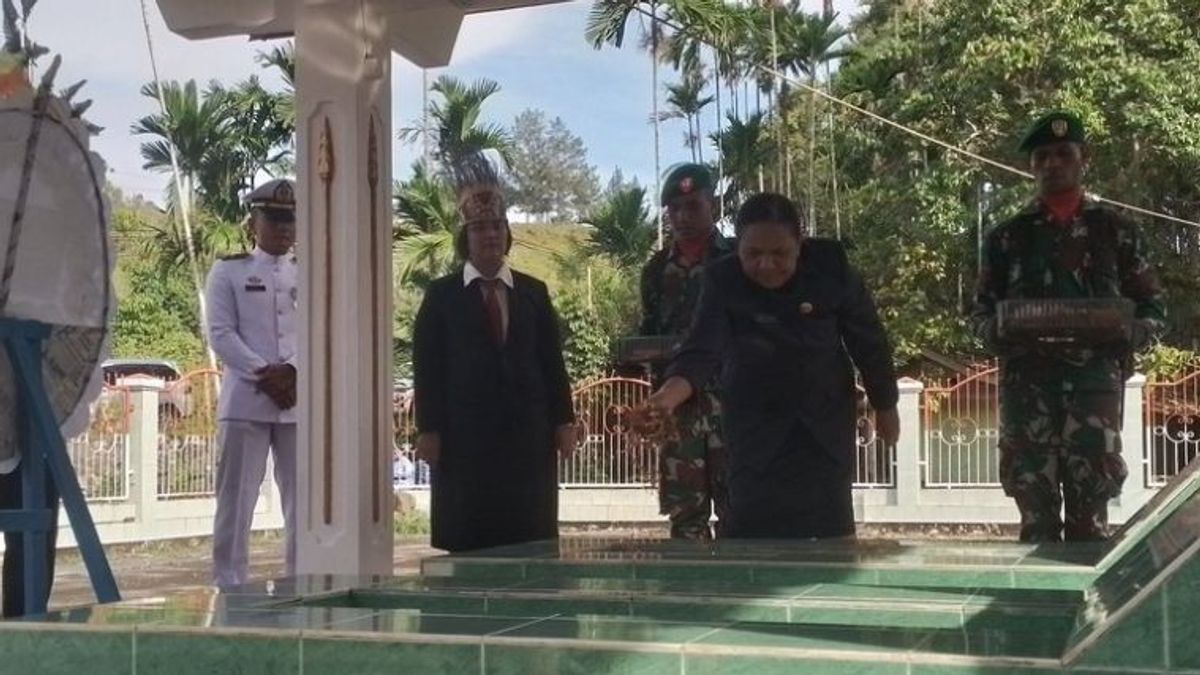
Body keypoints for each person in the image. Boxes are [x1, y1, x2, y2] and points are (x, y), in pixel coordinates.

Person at [640, 193, 900, 539]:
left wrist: (885, 404)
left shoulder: (831, 270)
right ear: (738, 248)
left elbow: (869, 342)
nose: (766, 265)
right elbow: (700, 352)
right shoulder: (723, 280)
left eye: (779, 253)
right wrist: (665, 399)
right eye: (753, 254)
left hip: (821, 424)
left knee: (829, 534)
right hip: (754, 425)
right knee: (751, 529)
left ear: (799, 243)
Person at [971, 111, 1166, 542]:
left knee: (1090, 525)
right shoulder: (1007, 237)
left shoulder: (1117, 232)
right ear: (1031, 166)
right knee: (1035, 523)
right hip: (1028, 393)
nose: (1052, 163)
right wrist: (999, 331)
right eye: (1042, 156)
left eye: (1063, 153)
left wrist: (1130, 332)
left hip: (1093, 390)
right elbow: (980, 314)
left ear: (1084, 159)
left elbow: (1153, 307)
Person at [412, 153, 576, 553]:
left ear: (507, 234)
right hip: (464, 438)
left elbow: (552, 362)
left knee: (530, 538)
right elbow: (428, 367)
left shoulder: (533, 292)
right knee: (469, 536)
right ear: (465, 238)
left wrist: (565, 421)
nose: (489, 235)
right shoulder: (441, 297)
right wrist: (428, 429)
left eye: (497, 226)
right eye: (480, 228)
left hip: (528, 438)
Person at [206, 178, 299, 589]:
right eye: (275, 218)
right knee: (236, 500)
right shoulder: (228, 271)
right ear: (253, 222)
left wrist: (294, 369)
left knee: (302, 503)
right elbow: (222, 334)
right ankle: (229, 583)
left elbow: (322, 330)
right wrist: (268, 373)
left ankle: (302, 581)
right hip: (247, 399)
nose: (284, 228)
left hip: (297, 398)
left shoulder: (309, 273)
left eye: (291, 219)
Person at [639, 163, 734, 540]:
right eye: (674, 210)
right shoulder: (656, 269)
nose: (682, 217)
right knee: (685, 516)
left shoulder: (735, 258)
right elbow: (650, 329)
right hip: (679, 411)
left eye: (693, 206)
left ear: (712, 204)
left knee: (738, 508)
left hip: (729, 402)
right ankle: (692, 592)